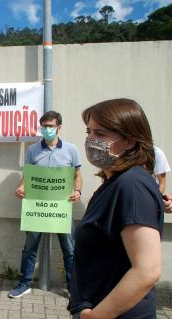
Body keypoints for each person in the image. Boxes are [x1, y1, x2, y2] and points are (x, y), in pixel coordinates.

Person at [68, 98, 163, 318]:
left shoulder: (132, 185)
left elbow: (147, 270)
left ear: (129, 141)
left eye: (100, 134)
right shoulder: (115, 183)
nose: (90, 140)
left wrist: (96, 316)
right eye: (88, 132)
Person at [9, 110, 82, 298]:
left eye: (50, 126)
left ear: (59, 127)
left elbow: (77, 176)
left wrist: (77, 191)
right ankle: (24, 283)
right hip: (37, 207)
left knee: (70, 249)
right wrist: (20, 189)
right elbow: (27, 178)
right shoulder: (33, 150)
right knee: (30, 247)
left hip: (62, 208)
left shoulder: (71, 150)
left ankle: (73, 288)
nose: (47, 129)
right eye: (44, 126)